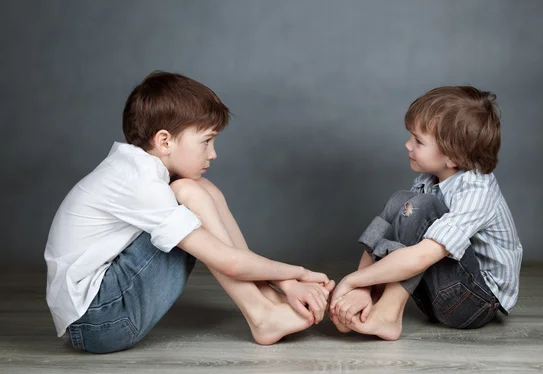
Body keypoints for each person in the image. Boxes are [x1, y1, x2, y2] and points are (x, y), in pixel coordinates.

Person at [44, 71, 334, 354]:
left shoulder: (140, 169)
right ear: (165, 141)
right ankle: (261, 315)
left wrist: (284, 285)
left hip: (100, 314)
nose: (213, 153)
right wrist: (297, 276)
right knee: (188, 193)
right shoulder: (138, 182)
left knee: (199, 189)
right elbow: (228, 261)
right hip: (100, 321)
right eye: (206, 141)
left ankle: (268, 305)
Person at [329, 86, 522, 340]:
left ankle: (388, 315)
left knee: (423, 207)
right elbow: (399, 238)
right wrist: (360, 286)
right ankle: (370, 300)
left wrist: (350, 281)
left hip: (474, 302)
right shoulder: (427, 180)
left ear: (452, 157)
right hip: (433, 292)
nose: (407, 144)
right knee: (402, 200)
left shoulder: (478, 191)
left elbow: (420, 257)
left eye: (418, 141)